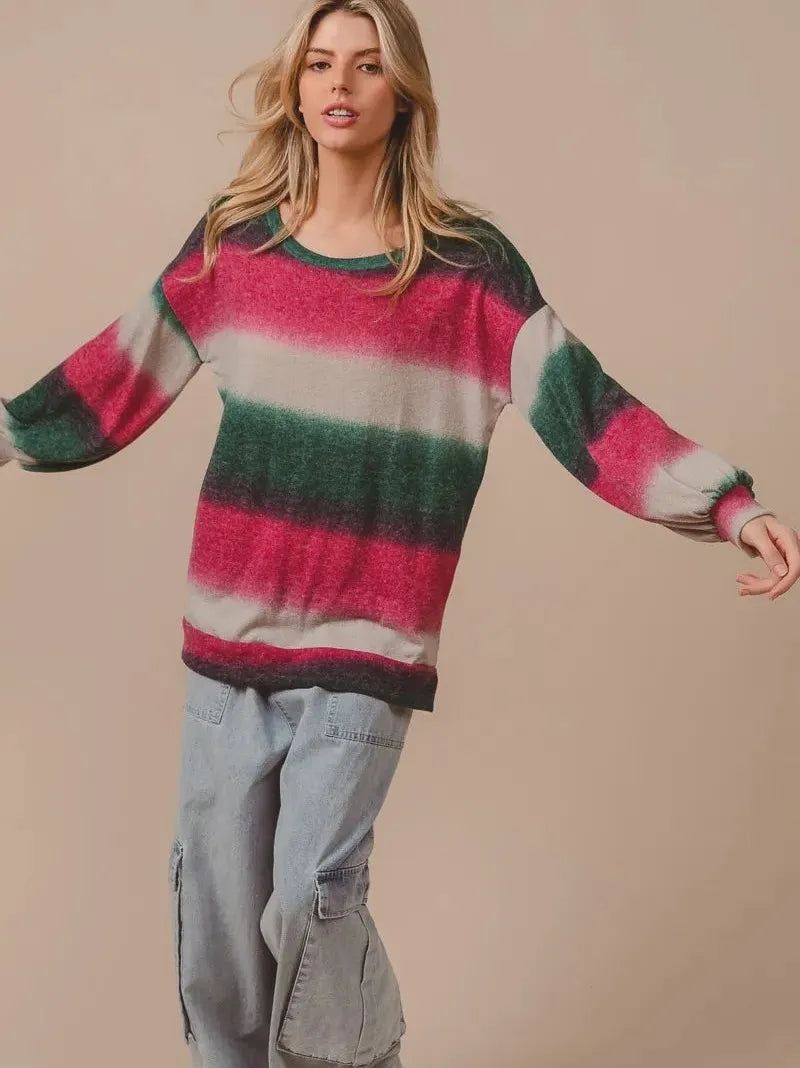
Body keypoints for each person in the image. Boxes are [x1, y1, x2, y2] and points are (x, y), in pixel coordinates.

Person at [2, 1, 797, 1066]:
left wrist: (729, 504)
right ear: (295, 86)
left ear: (404, 91)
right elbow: (119, 367)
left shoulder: (466, 273)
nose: (340, 83)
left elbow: (586, 409)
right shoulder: (236, 248)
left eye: (368, 65)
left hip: (365, 652)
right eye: (321, 63)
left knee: (308, 898)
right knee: (218, 937)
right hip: (227, 647)